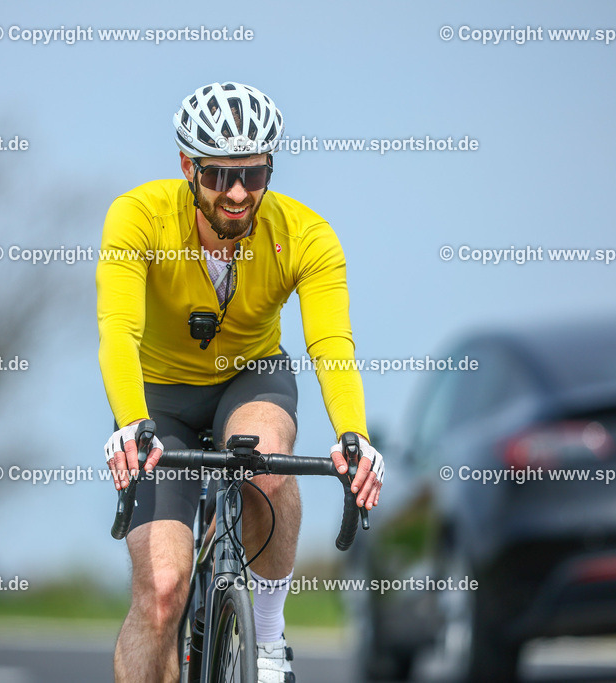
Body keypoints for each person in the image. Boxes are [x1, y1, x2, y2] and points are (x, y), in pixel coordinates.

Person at [98, 81, 386, 683]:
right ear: (187, 167)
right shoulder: (138, 217)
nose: (237, 193)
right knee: (161, 595)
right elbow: (118, 331)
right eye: (220, 175)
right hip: (160, 401)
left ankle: (268, 633)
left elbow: (331, 345)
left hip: (250, 379)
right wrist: (130, 425)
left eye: (253, 175)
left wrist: (352, 434)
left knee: (269, 463)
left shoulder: (306, 235)